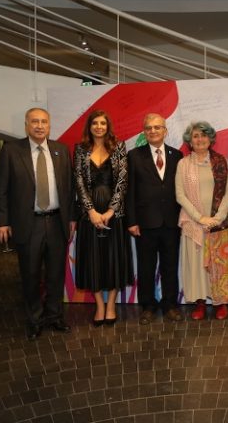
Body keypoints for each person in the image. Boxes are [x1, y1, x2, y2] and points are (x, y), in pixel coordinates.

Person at [0, 108, 75, 340]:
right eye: (35, 122)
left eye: (44, 122)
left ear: (49, 125)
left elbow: (68, 188)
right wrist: (2, 222)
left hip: (57, 221)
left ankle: (55, 316)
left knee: (56, 275)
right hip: (28, 223)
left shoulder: (61, 150)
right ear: (26, 125)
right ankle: (35, 320)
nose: (40, 126)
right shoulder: (11, 151)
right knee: (30, 275)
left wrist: (71, 217)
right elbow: (1, 189)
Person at [73, 110, 132, 327]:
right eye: (95, 123)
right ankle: (99, 305)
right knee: (93, 259)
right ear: (89, 126)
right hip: (89, 215)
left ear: (108, 126)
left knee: (114, 258)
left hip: (114, 214)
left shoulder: (119, 146)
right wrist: (91, 211)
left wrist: (110, 211)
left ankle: (111, 305)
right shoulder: (80, 149)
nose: (99, 127)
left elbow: (122, 181)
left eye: (103, 123)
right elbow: (79, 181)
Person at [175, 121, 228, 320]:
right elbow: (180, 195)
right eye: (195, 136)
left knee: (220, 262)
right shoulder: (183, 164)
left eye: (203, 135)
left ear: (210, 138)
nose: (200, 139)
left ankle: (221, 302)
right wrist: (200, 218)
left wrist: (217, 217)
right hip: (194, 222)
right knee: (197, 264)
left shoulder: (221, 161)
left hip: (220, 222)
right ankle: (200, 302)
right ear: (189, 141)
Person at [125, 113, 184, 324]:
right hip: (145, 223)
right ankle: (148, 306)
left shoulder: (177, 155)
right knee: (146, 268)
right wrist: (131, 221)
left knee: (170, 266)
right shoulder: (134, 156)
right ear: (144, 132)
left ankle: (170, 305)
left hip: (171, 222)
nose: (153, 131)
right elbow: (129, 191)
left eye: (157, 127)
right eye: (149, 128)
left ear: (165, 131)